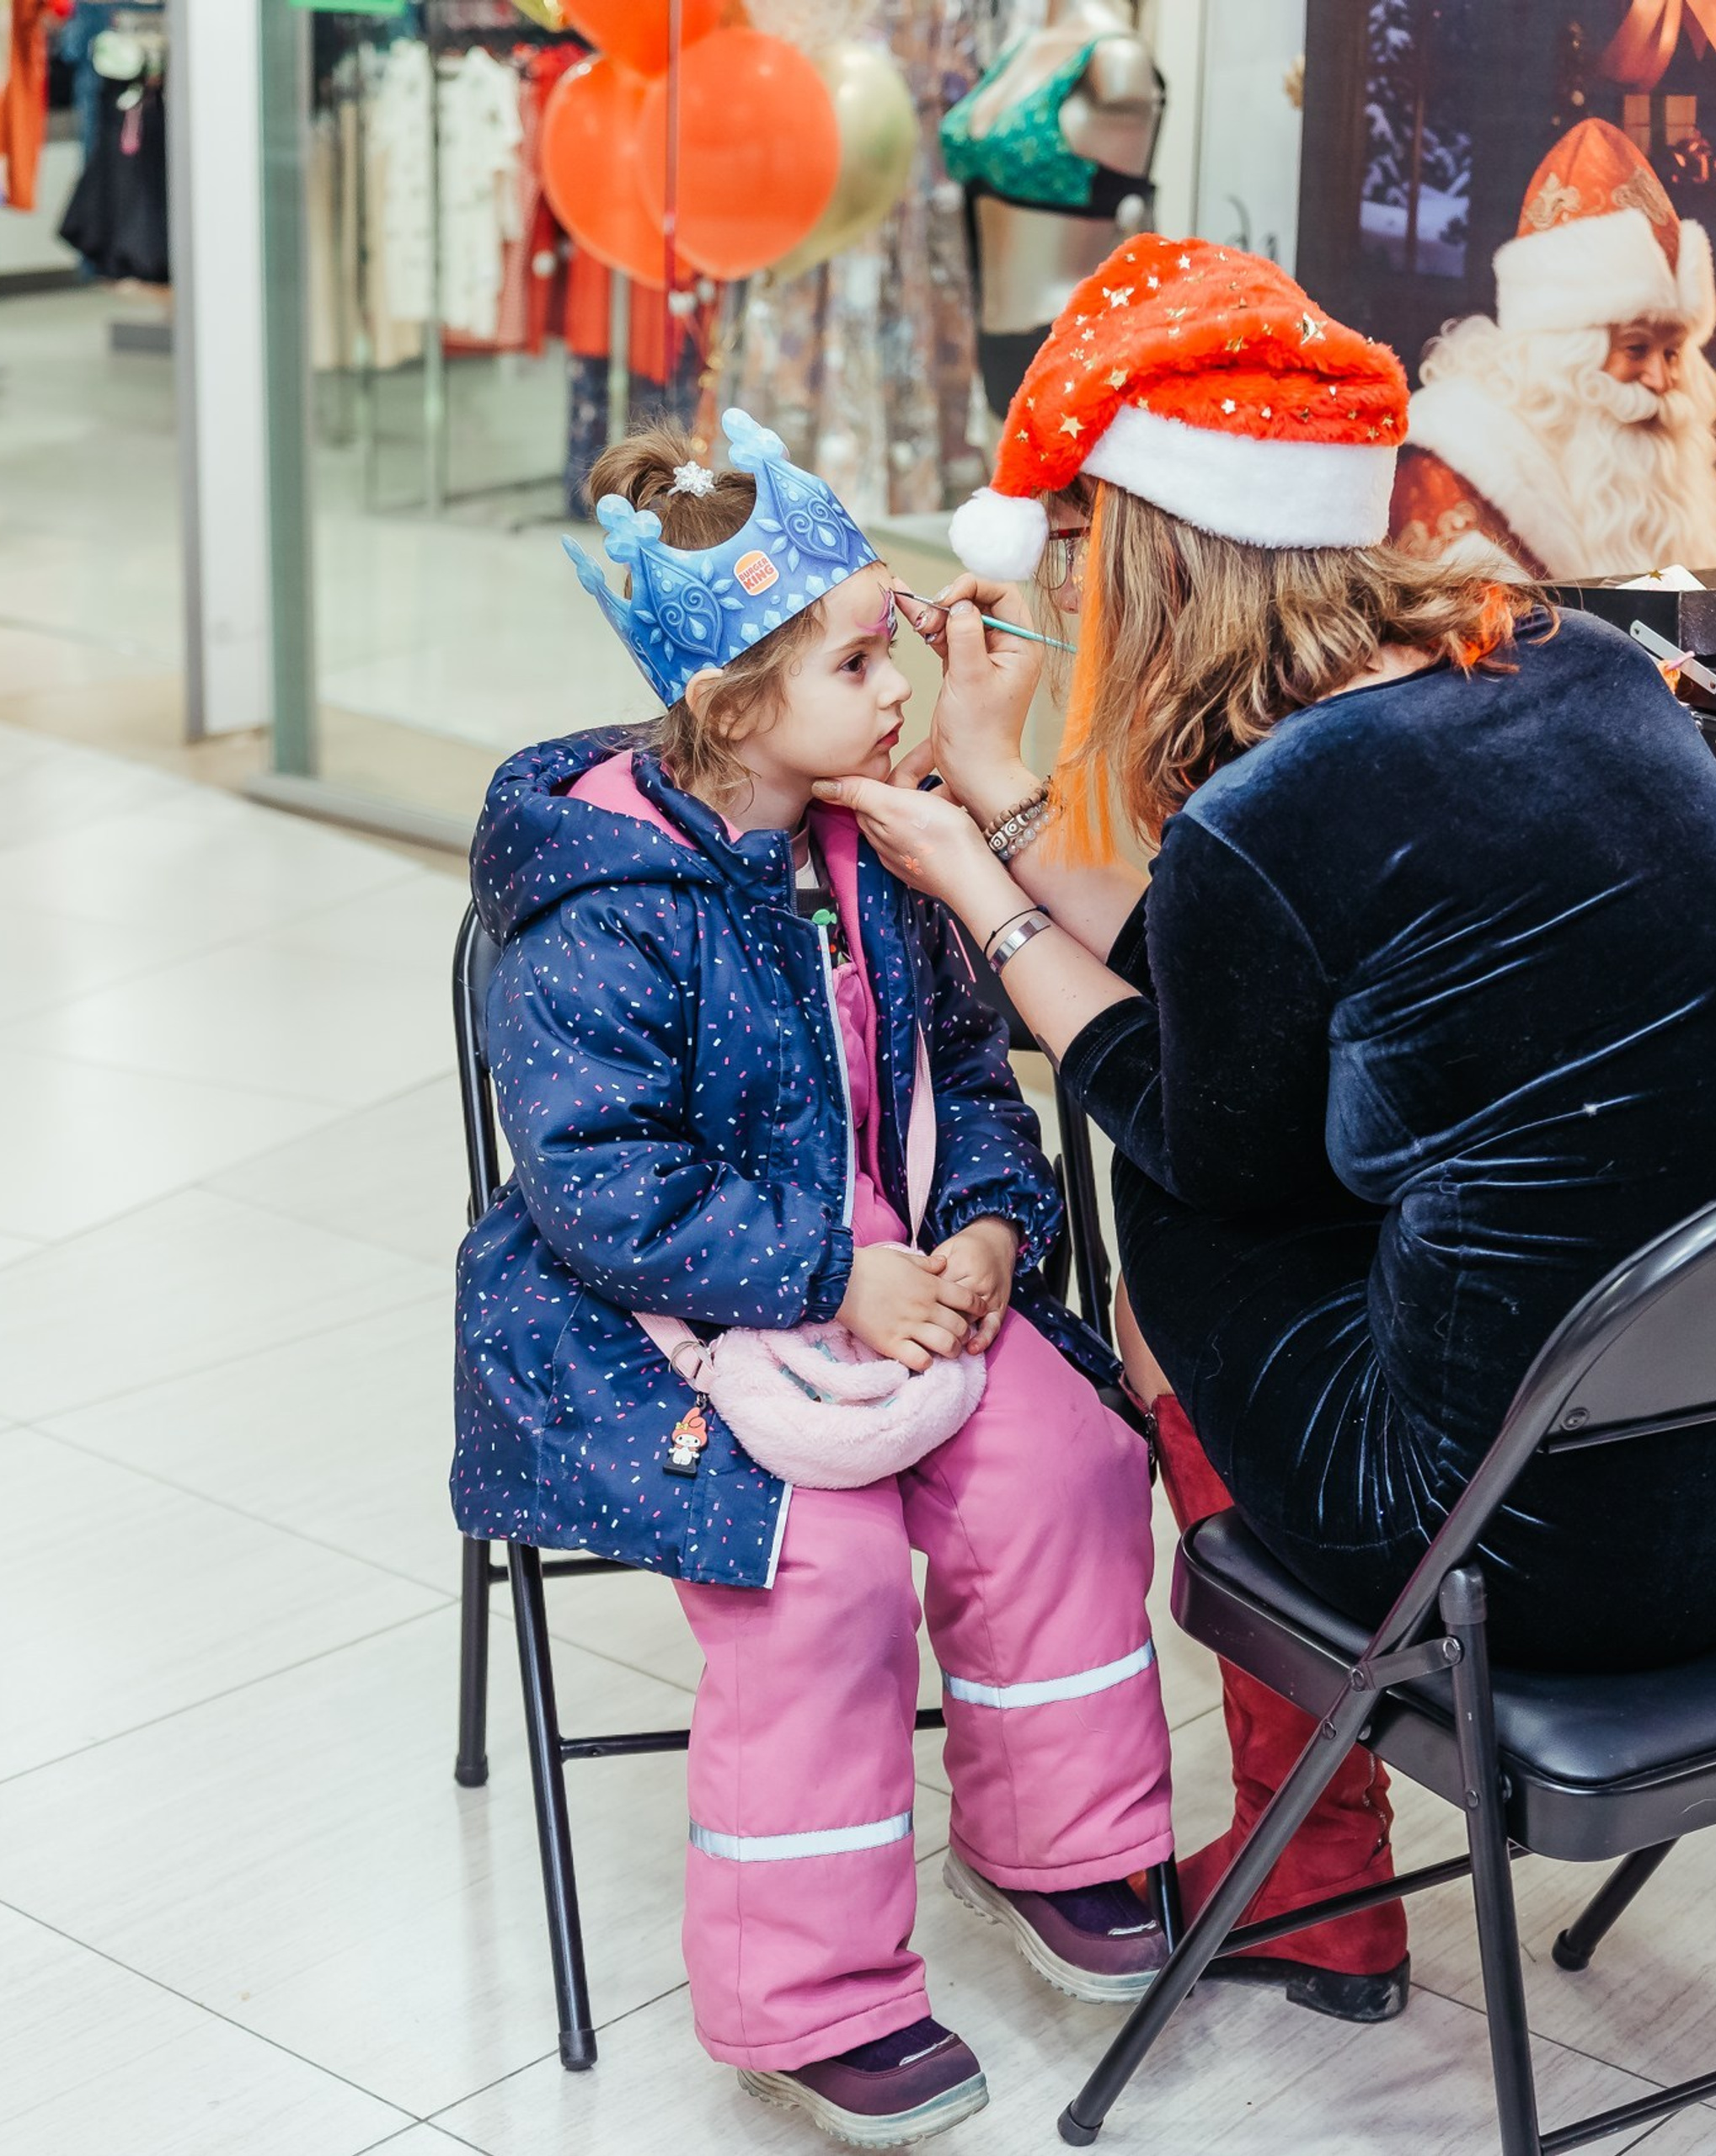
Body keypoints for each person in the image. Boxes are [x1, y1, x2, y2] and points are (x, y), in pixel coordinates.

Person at [828, 234, 1716, 2026]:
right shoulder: (1564, 662)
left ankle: (1306, 1870)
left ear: (1156, 554)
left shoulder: (1276, 811)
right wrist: (1006, 796)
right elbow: (1245, 954)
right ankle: (1305, 1863)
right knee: (1326, 1150)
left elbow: (1204, 1116)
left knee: (1179, 1204)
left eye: (1088, 552)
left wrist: (973, 872)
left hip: (1546, 1555)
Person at [451, 413, 1173, 2150]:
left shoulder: (877, 851)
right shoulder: (602, 902)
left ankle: (1057, 1843)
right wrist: (825, 1274)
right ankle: (810, 1990)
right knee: (822, 1565)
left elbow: (975, 1078)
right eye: (857, 658)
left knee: (1065, 1460)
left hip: (898, 1271)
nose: (896, 685)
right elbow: (595, 1187)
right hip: (652, 1310)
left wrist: (992, 1228)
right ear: (726, 698)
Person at [1389, 117, 1716, 580]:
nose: (1661, 380)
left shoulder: (1684, 476)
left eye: (1673, 353)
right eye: (1636, 350)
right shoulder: (1459, 458)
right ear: (1565, 355)